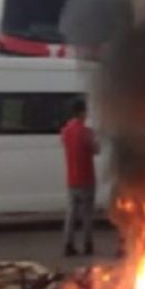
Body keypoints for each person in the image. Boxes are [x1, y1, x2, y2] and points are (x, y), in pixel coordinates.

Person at [60, 99, 99, 257]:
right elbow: (96, 149)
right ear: (82, 112)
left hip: (72, 179)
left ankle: (68, 244)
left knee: (71, 214)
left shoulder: (65, 131)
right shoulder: (86, 132)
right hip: (86, 178)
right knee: (87, 214)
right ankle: (88, 244)